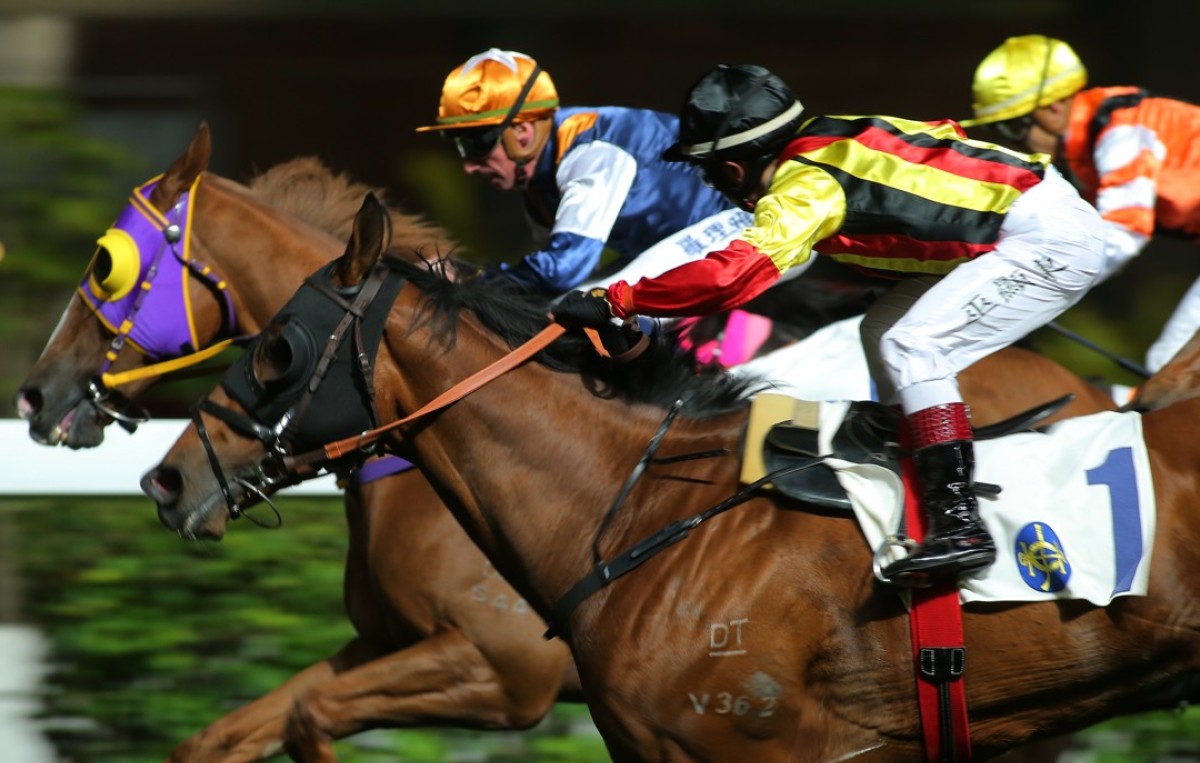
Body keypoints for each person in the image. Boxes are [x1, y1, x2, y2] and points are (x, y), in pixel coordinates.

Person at [549, 64, 1108, 587]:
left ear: (732, 166)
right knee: (883, 332)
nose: (716, 188)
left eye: (709, 174)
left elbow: (731, 279)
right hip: (1033, 217)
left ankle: (961, 524)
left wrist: (619, 298)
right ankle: (913, 451)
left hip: (1044, 238)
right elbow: (944, 144)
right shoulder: (834, 132)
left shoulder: (803, 185)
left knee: (915, 345)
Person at [416, 48, 753, 297]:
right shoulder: (538, 181)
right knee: (576, 306)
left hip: (751, 225)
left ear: (522, 133)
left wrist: (467, 278)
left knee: (601, 307)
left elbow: (564, 270)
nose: (469, 165)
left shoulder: (590, 153)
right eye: (461, 148)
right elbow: (543, 277)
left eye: (475, 146)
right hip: (697, 245)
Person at [965, 34, 1200, 371]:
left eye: (1014, 127)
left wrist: (1029, 290)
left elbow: (1120, 235)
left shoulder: (1123, 132)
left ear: (1053, 110)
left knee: (1169, 366)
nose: (1012, 141)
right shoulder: (1088, 142)